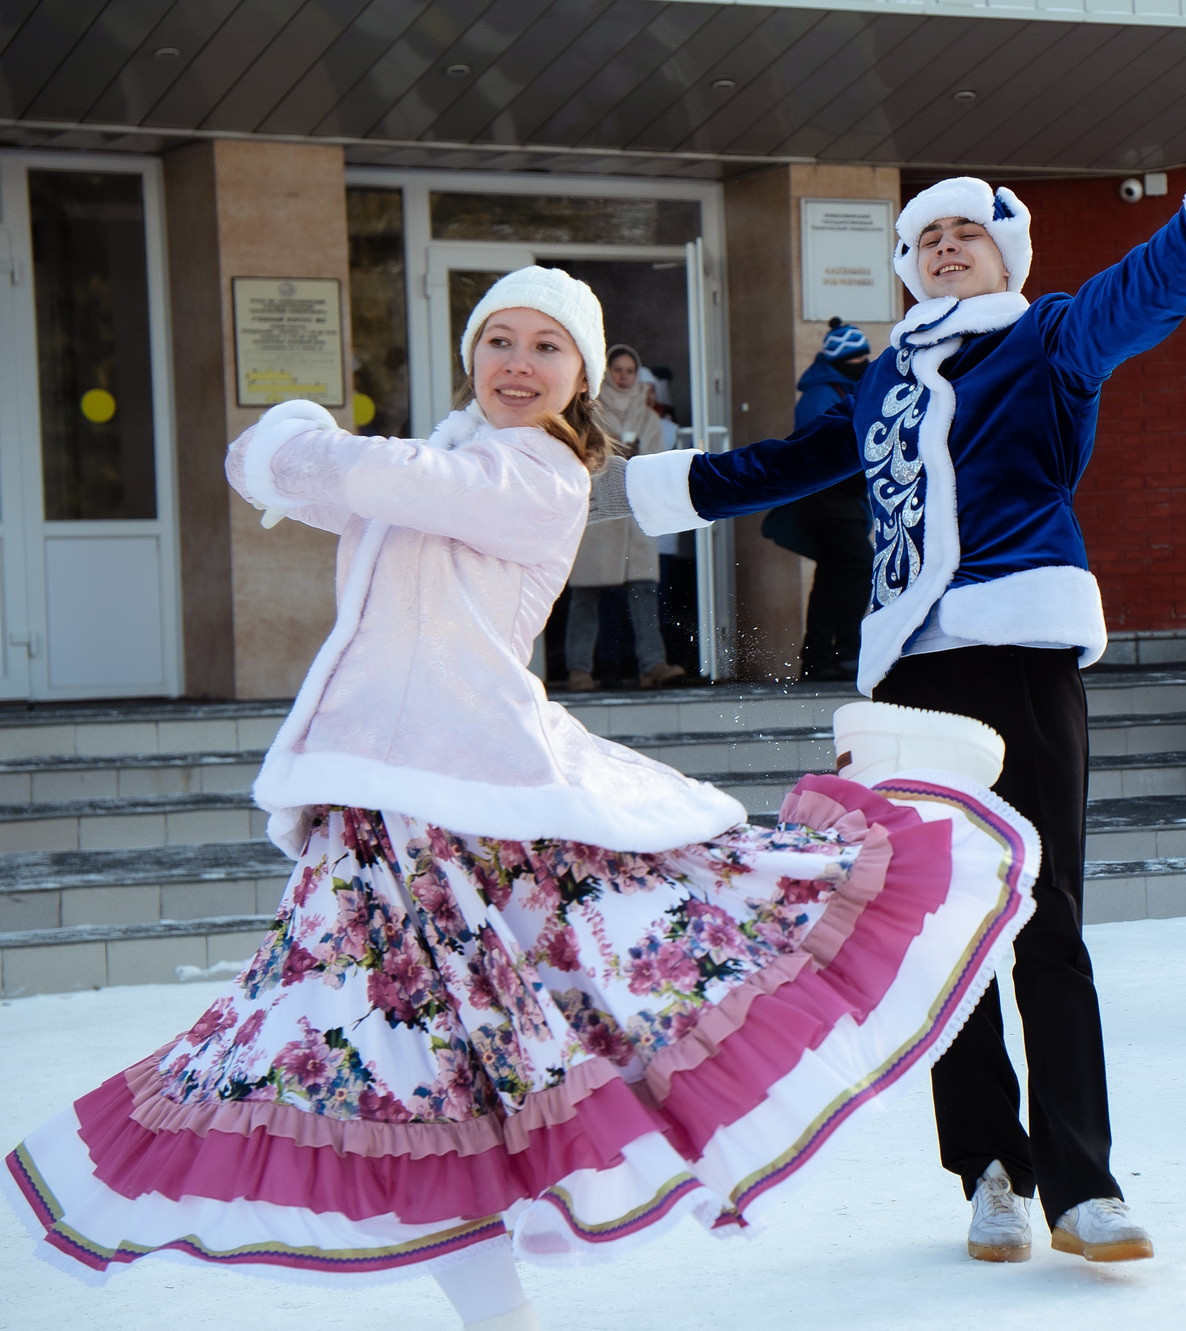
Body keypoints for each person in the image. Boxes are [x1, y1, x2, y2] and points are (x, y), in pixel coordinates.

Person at [5, 266, 1040, 1330]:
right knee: (412, 1078)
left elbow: (317, 466)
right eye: (498, 339)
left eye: (547, 346)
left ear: (581, 375)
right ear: (468, 356)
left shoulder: (536, 473)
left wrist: (300, 434)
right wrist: (295, 449)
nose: (517, 362)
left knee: (518, 1034)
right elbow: (282, 471)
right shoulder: (445, 463)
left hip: (457, 804)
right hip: (368, 816)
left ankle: (903, 792)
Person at [589, 55, 1186, 1264]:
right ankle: (987, 1171)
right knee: (939, 932)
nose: (944, 247)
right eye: (925, 236)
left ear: (1007, 251)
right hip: (904, 682)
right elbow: (773, 470)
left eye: (966, 231)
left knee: (1045, 919)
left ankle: (1081, 1185)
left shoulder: (1049, 339)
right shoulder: (883, 378)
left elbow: (1155, 283)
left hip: (1019, 663)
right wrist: (616, 492)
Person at [563, 343, 683, 691]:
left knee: (644, 590)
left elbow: (659, 457)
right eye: (618, 370)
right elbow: (580, 453)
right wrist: (610, 449)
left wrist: (639, 453)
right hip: (601, 510)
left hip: (634, 513)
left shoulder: (647, 415)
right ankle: (579, 670)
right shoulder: (590, 410)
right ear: (607, 373)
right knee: (586, 593)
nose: (624, 377)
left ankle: (653, 666)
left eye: (630, 371)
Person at [762, 319, 875, 680]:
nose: (863, 363)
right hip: (826, 498)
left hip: (843, 499)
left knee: (832, 574)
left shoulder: (845, 386)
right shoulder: (821, 395)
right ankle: (845, 652)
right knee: (858, 563)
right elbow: (824, 449)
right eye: (857, 358)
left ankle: (817, 660)